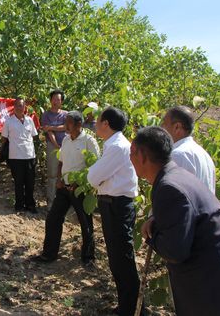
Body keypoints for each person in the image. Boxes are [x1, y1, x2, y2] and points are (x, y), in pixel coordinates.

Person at [132, 126, 220, 316]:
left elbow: (175, 250)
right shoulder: (176, 176)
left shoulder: (169, 188)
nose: (130, 159)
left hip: (214, 292)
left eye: (131, 153)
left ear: (142, 156)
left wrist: (151, 235)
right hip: (218, 282)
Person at [87, 107, 143, 316]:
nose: (95, 124)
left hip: (117, 206)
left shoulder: (118, 147)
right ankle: (126, 307)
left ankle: (133, 310)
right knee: (118, 260)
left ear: (106, 124)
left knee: (123, 261)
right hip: (112, 204)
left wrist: (96, 176)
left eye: (98, 120)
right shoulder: (113, 145)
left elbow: (93, 177)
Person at [32, 111, 100, 265]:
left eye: (69, 122)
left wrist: (81, 184)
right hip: (64, 187)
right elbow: (61, 161)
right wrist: (59, 179)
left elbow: (95, 165)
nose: (66, 125)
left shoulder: (89, 141)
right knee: (53, 219)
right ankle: (49, 254)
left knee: (85, 223)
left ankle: (88, 257)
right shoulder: (67, 140)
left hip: (80, 189)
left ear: (78, 124)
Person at [161, 106, 216, 193]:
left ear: (177, 127)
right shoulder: (204, 154)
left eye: (164, 123)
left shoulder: (178, 155)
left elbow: (174, 196)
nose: (161, 128)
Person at [1, 97, 38, 213]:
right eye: (17, 105)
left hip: (29, 156)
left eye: (21, 105)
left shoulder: (29, 120)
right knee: (18, 183)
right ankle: (19, 206)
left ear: (24, 107)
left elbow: (33, 135)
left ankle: (30, 205)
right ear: (14, 107)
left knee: (30, 183)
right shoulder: (9, 121)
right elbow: (4, 138)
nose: (19, 107)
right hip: (15, 157)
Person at [41, 89, 68, 207]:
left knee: (65, 174)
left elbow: (67, 127)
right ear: (50, 100)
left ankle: (64, 203)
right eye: (54, 99)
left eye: (58, 99)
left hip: (67, 145)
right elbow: (47, 131)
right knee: (52, 174)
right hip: (53, 146)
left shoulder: (66, 114)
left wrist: (52, 127)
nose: (56, 101)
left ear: (61, 101)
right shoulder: (46, 115)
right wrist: (56, 144)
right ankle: (51, 203)